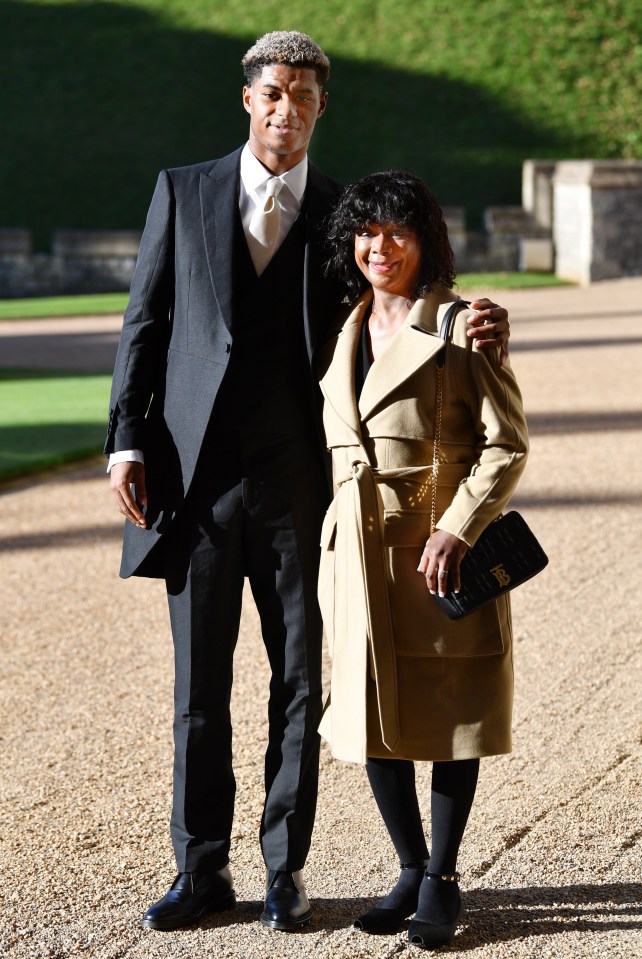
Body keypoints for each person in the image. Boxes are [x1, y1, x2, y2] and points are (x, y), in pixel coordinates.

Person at [105, 32, 511, 933]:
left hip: (305, 491)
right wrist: (126, 441)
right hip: (194, 485)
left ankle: (284, 872)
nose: (287, 107)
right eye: (272, 92)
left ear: (322, 107)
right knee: (198, 690)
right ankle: (200, 871)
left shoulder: (340, 213)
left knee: (300, 683)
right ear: (247, 99)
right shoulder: (183, 189)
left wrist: (478, 312)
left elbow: (402, 289)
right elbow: (145, 321)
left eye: (303, 94)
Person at [317, 170, 529, 948]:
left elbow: (507, 442)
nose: (380, 246)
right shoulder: (343, 325)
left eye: (397, 230)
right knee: (370, 712)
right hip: (356, 553)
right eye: (366, 231)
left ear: (423, 239)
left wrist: (459, 529)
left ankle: (443, 874)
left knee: (448, 714)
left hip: (436, 554)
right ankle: (407, 864)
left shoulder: (464, 323)